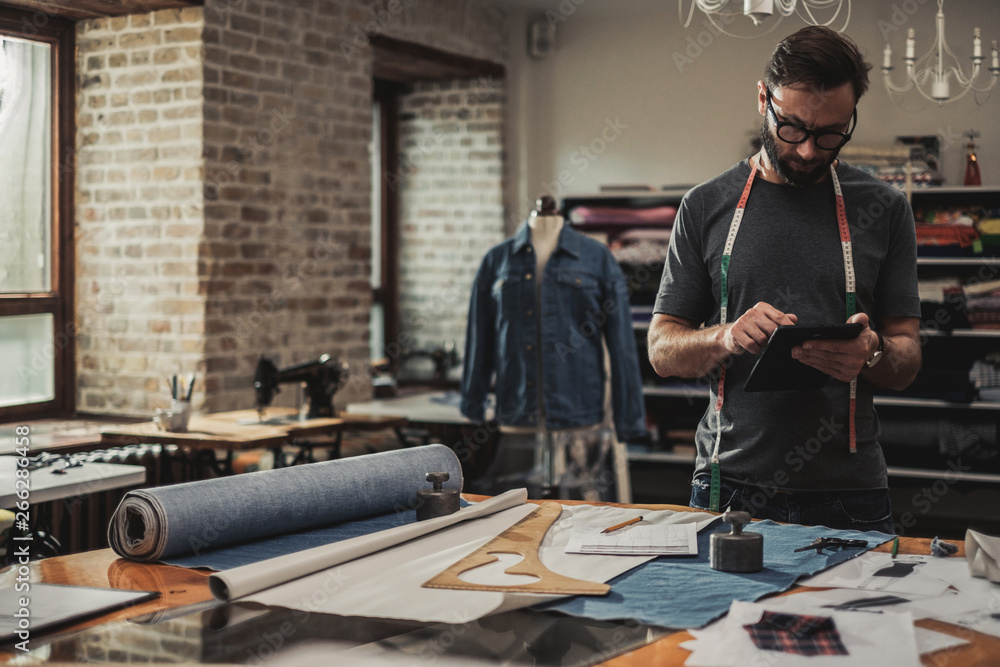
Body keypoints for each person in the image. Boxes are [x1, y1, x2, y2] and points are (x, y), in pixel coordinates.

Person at [647, 26, 921, 534]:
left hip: (851, 492)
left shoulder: (885, 208)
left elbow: (907, 356)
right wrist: (724, 336)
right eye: (792, 127)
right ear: (762, 100)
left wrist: (875, 351)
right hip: (728, 487)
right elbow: (662, 350)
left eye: (831, 133)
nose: (809, 151)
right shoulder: (704, 206)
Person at [461, 197, 646, 500]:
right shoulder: (497, 259)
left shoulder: (596, 257)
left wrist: (629, 419)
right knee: (515, 510)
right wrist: (474, 403)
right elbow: (479, 338)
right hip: (518, 404)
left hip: (579, 405)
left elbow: (622, 343)